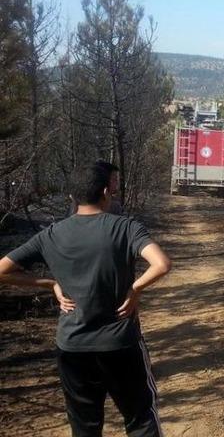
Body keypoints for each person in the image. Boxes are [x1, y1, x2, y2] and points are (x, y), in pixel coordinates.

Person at [0, 161, 171, 436]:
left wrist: (48, 283)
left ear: (72, 197)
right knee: (141, 419)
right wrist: (135, 289)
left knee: (85, 427)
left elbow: (1, 270)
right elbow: (161, 264)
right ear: (106, 191)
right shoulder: (125, 227)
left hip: (73, 348)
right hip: (120, 343)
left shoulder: (50, 235)